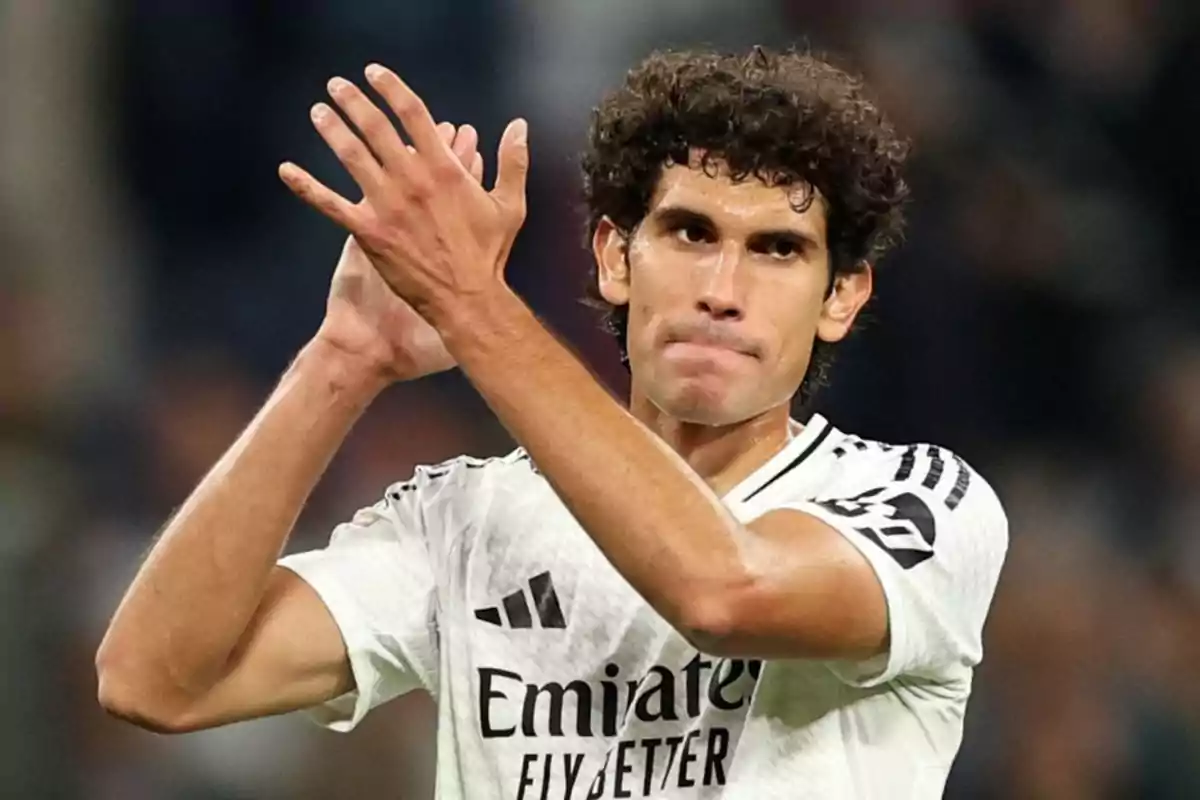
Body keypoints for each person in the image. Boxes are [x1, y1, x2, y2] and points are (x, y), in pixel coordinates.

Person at [96, 47, 1008, 799]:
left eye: (776, 250)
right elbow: (156, 679)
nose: (723, 293)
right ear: (615, 257)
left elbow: (728, 594)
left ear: (841, 297)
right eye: (691, 234)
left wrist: (469, 305)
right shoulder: (466, 519)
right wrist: (344, 358)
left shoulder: (919, 501)